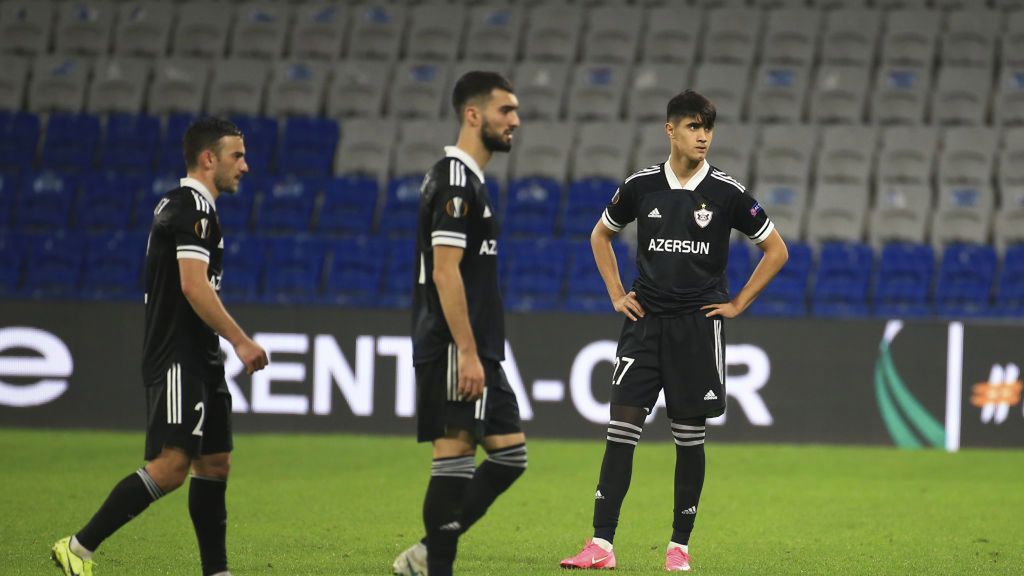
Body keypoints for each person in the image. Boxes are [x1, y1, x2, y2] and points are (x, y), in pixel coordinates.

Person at [559, 90, 789, 572]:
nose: (702, 135)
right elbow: (601, 234)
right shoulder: (642, 186)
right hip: (643, 324)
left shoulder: (727, 193)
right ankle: (601, 544)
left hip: (696, 329)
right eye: (692, 126)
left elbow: (776, 249)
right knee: (620, 431)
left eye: (707, 127)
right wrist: (616, 292)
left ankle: (678, 547)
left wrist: (739, 303)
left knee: (689, 439)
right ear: (670, 130)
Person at [51, 117, 269, 576]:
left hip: (200, 355)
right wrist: (242, 341)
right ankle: (78, 547)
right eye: (237, 156)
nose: (245, 167)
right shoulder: (190, 206)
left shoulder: (196, 208)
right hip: (178, 355)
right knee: (170, 466)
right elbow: (193, 287)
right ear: (208, 159)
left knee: (215, 462)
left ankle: (217, 571)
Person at [391, 71, 526, 576]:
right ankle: (434, 566)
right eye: (505, 111)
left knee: (510, 456)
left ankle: (425, 555)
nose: (515, 120)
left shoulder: (471, 181)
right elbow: (445, 270)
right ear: (473, 115)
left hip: (480, 348)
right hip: (454, 345)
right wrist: (466, 352)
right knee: (454, 459)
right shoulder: (453, 179)